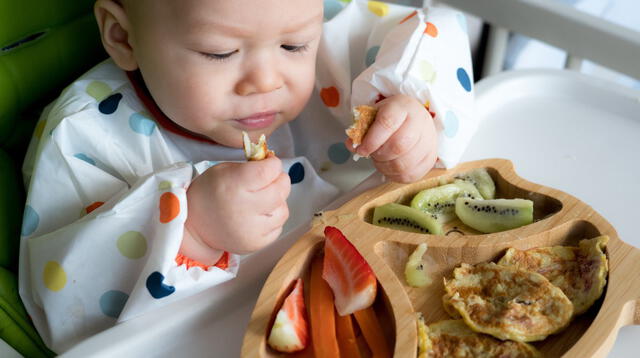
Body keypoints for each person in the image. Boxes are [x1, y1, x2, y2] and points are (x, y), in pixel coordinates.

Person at [19, 0, 475, 352]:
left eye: (295, 46)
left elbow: (424, 31)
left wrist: (413, 111)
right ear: (123, 36)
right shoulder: (83, 136)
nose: (264, 81)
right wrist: (193, 227)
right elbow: (69, 309)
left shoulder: (310, 22)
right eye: (220, 53)